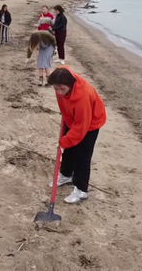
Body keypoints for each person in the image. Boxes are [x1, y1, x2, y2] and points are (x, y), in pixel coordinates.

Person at [46, 66, 106, 203]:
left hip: (90, 122)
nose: (59, 92)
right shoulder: (61, 77)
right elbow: (62, 68)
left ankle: (81, 189)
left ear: (71, 85)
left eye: (63, 89)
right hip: (73, 117)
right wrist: (67, 138)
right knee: (69, 150)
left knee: (82, 156)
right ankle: (66, 174)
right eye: (56, 89)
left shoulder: (83, 97)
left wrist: (64, 141)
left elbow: (81, 126)